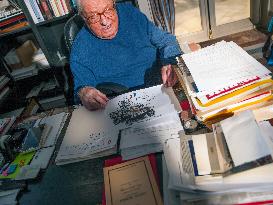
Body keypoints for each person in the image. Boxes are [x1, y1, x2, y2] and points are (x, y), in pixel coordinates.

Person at [70, 0, 182, 110]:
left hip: (165, 86)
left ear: (114, 4)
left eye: (108, 10)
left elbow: (167, 40)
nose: (104, 21)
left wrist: (170, 62)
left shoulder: (129, 13)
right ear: (84, 17)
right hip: (127, 106)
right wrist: (84, 93)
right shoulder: (80, 49)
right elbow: (81, 91)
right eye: (93, 16)